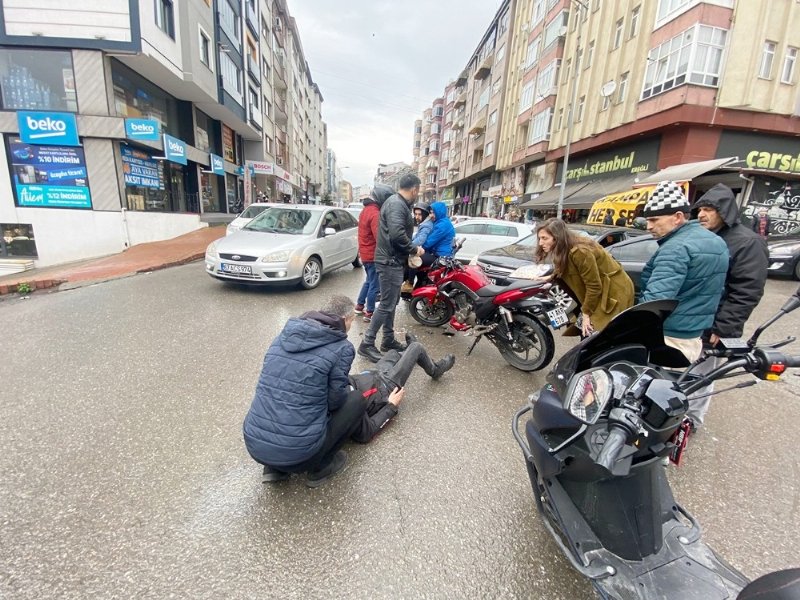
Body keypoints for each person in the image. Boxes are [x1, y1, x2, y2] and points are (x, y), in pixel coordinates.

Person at [242, 295, 362, 488]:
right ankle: (321, 467)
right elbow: (335, 402)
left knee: (280, 396)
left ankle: (274, 469)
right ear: (346, 319)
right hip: (301, 456)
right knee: (356, 399)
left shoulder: (282, 337)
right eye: (352, 321)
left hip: (255, 447)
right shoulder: (342, 347)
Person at [687, 184, 769, 428]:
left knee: (701, 376)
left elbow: (747, 290)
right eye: (700, 209)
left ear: (725, 211)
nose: (702, 214)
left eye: (709, 209)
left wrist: (723, 326)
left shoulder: (748, 242)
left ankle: (691, 421)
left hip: (714, 327)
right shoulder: (704, 237)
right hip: (692, 320)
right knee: (683, 373)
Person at [638, 181, 729, 364]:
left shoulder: (676, 248)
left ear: (678, 217)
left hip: (669, 337)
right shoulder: (716, 241)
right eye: (647, 220)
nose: (648, 226)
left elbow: (655, 302)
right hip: (693, 335)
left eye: (654, 220)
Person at [358, 174, 424, 363]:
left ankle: (387, 340)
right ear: (414, 189)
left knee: (391, 303)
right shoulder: (397, 204)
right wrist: (414, 249)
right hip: (389, 262)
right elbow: (397, 235)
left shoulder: (397, 203)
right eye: (418, 191)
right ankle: (367, 344)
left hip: (392, 261)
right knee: (387, 304)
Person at [535, 218, 634, 337]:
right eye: (540, 238)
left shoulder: (580, 252)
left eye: (544, 238)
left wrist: (586, 314)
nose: (540, 243)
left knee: (593, 333)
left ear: (558, 237)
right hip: (600, 293)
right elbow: (564, 265)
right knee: (588, 333)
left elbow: (594, 286)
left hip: (614, 292)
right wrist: (550, 277)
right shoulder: (566, 247)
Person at [349, 332, 455, 443]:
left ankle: (415, 355)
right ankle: (434, 370)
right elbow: (365, 434)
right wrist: (391, 406)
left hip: (370, 375)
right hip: (386, 386)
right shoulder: (344, 407)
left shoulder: (332, 384)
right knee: (416, 348)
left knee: (393, 353)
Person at [355, 186, 393, 322]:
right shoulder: (375, 213)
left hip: (365, 253)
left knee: (369, 281)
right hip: (373, 255)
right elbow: (380, 238)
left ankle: (359, 305)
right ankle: (369, 312)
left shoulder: (366, 210)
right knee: (374, 285)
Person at [401, 202, 433, 293]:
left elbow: (420, 240)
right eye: (415, 214)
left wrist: (408, 246)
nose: (417, 217)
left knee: (412, 258)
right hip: (426, 251)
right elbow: (415, 237)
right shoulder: (424, 223)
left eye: (419, 214)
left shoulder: (426, 225)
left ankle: (410, 282)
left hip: (430, 253)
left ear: (425, 214)